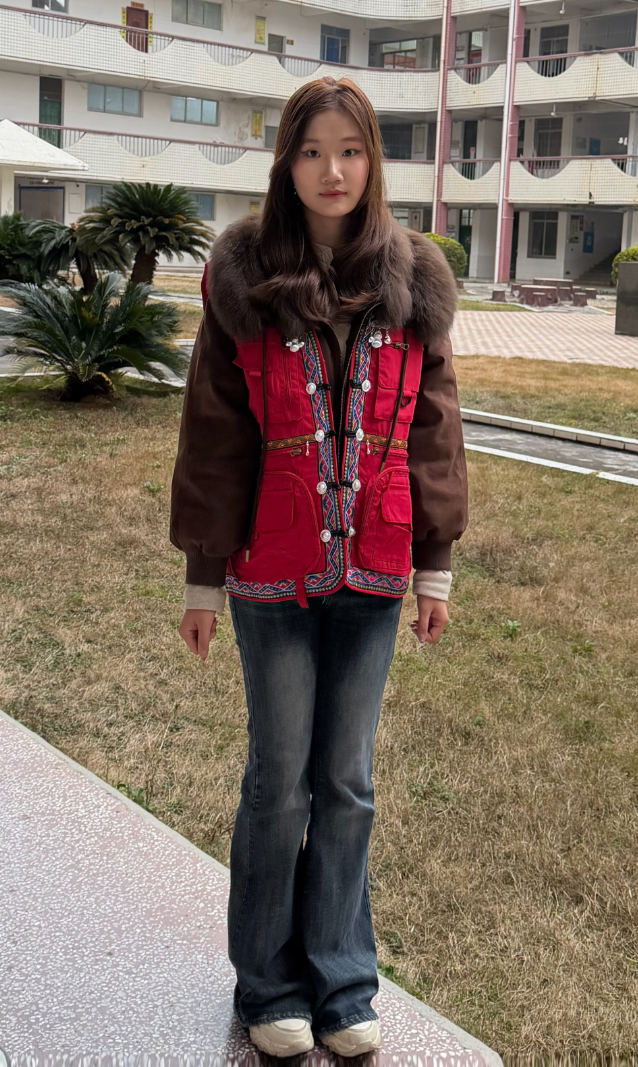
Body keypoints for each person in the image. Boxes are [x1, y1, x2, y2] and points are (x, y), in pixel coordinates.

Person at [169, 76, 468, 1059]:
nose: (331, 170)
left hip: (374, 572)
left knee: (348, 783)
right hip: (271, 576)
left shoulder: (414, 276)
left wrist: (434, 567)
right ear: (285, 162)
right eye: (311, 151)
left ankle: (343, 981)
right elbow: (214, 432)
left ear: (371, 159)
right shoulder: (244, 274)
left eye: (349, 150)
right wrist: (203, 576)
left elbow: (434, 429)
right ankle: (268, 981)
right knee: (279, 785)